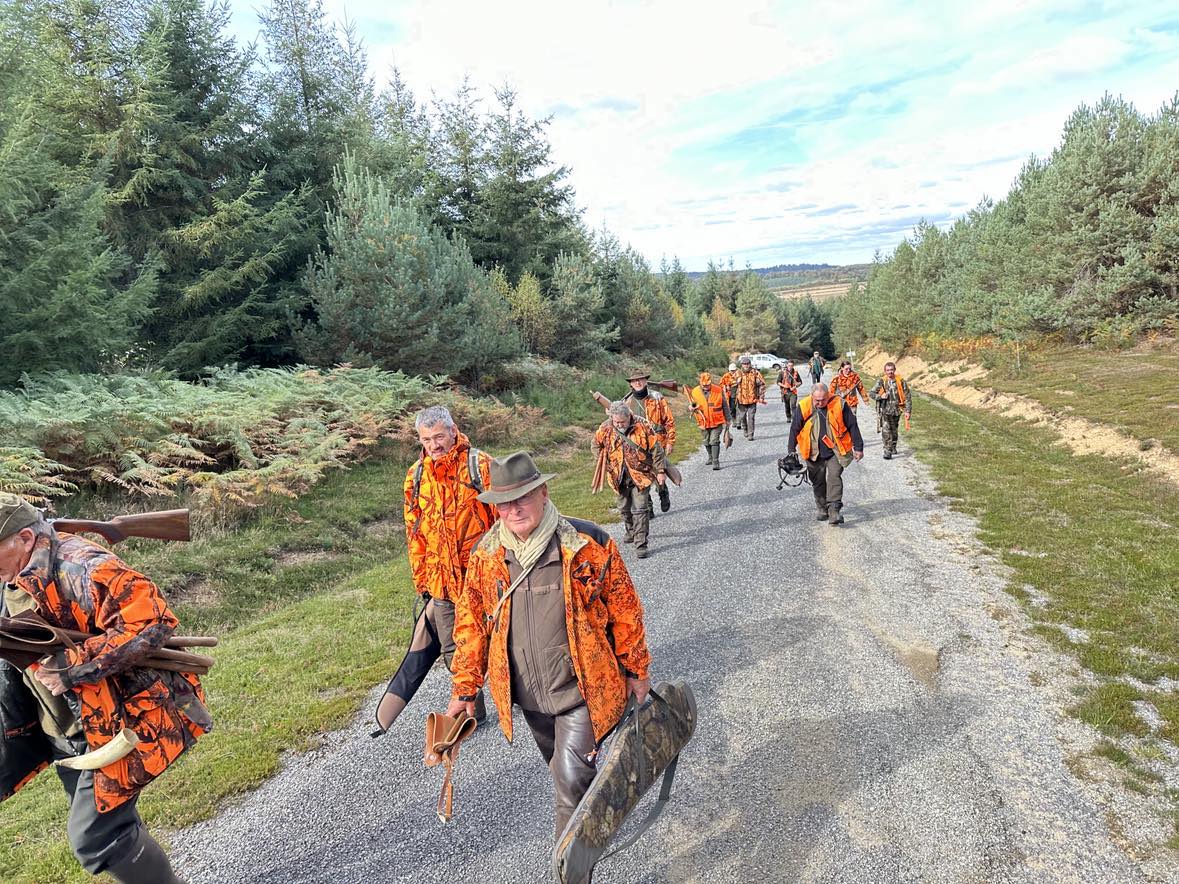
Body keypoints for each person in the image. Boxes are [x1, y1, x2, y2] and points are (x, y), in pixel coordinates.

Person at [0, 494, 209, 883]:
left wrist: (72, 666)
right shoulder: (12, 571)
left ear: (25, 539)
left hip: (121, 722)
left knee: (96, 837)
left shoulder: (82, 565)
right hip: (66, 730)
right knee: (113, 823)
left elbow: (152, 620)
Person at [447, 451, 651, 841]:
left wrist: (636, 670)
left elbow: (626, 612)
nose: (514, 509)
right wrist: (465, 689)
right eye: (504, 502)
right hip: (530, 700)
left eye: (522, 497)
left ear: (542, 492)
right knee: (564, 776)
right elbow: (471, 626)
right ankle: (591, 822)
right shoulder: (486, 558)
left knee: (571, 784)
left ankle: (570, 868)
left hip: (581, 692)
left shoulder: (589, 543)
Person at [383, 406, 495, 727]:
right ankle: (473, 708)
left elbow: (505, 520)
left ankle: (517, 694)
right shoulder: (415, 476)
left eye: (439, 437)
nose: (433, 445)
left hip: (482, 578)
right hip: (441, 583)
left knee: (499, 641)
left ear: (453, 430)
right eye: (426, 439)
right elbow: (414, 531)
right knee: (453, 650)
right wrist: (423, 581)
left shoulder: (481, 465)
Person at [591, 401, 668, 558]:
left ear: (629, 416)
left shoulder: (642, 425)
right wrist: (602, 462)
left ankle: (641, 544)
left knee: (640, 509)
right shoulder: (605, 428)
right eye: (616, 422)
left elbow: (656, 450)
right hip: (617, 477)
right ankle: (631, 530)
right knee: (624, 509)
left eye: (623, 422)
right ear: (611, 418)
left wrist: (660, 471)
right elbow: (595, 445)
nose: (619, 425)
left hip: (641, 475)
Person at [787, 383, 865, 526]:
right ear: (812, 396)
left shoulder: (840, 404)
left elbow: (852, 425)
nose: (820, 403)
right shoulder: (804, 406)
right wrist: (791, 450)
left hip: (835, 451)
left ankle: (834, 510)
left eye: (823, 399)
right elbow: (794, 428)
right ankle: (822, 508)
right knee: (818, 481)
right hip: (812, 452)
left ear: (828, 395)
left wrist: (858, 447)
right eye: (817, 400)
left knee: (834, 477)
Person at [621, 370, 676, 514]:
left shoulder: (657, 397)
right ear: (631, 384)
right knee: (642, 476)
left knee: (659, 472)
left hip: (658, 442)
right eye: (634, 381)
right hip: (637, 446)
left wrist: (670, 441)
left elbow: (669, 420)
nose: (638, 383)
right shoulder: (627, 403)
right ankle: (648, 506)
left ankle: (663, 492)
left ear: (646, 381)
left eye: (640, 380)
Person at [688, 372, 732, 470]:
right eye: (704, 385)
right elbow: (693, 404)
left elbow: (724, 405)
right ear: (700, 383)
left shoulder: (718, 390)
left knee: (714, 441)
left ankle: (716, 462)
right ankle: (710, 457)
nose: (706, 386)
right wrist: (691, 407)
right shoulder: (695, 392)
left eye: (708, 384)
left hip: (717, 421)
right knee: (706, 441)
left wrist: (728, 419)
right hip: (703, 421)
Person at [871, 361, 912, 460]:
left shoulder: (900, 381)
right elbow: (871, 393)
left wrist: (908, 411)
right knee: (886, 430)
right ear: (885, 371)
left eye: (891, 370)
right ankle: (887, 450)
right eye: (888, 370)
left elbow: (907, 396)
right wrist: (880, 396)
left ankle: (893, 446)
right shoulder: (881, 381)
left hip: (897, 410)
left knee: (894, 430)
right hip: (885, 411)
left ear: (894, 370)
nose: (890, 372)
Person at [734, 356, 767, 441]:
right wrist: (736, 381)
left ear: (750, 364)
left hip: (752, 399)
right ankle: (745, 429)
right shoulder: (738, 373)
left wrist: (761, 396)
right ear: (741, 365)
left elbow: (762, 384)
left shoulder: (755, 373)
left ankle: (750, 434)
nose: (746, 366)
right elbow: (730, 383)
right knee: (742, 417)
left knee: (751, 417)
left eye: (747, 364)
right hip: (741, 400)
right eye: (744, 364)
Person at [719, 362, 739, 428]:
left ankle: (739, 422)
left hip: (739, 393)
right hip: (730, 395)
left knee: (739, 408)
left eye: (734, 370)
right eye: (731, 370)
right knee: (732, 408)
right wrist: (725, 386)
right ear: (729, 370)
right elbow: (721, 384)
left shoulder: (739, 375)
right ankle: (734, 421)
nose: (733, 372)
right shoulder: (725, 376)